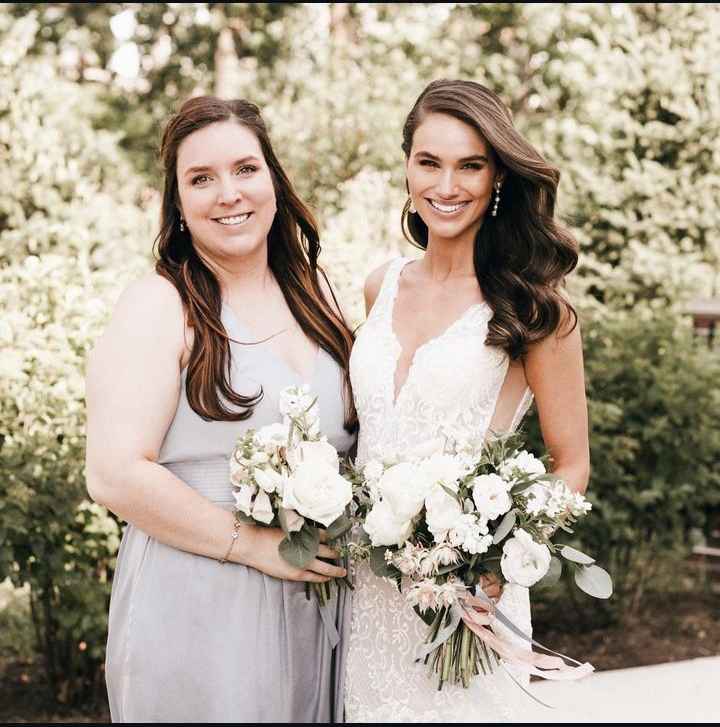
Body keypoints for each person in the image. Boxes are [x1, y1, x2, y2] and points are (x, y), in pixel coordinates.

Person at [85, 96, 356, 722]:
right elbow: (114, 472)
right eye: (200, 179)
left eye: (245, 169)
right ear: (178, 204)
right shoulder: (160, 305)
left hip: (317, 602)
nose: (227, 193)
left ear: (273, 180)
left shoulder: (315, 294)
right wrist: (254, 546)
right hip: (200, 598)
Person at [344, 79, 590, 722]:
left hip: (470, 600)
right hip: (367, 595)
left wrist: (502, 555)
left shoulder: (536, 310)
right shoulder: (381, 286)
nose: (446, 185)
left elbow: (570, 464)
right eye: (429, 162)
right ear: (406, 166)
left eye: (470, 165)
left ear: (497, 176)